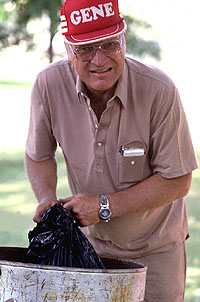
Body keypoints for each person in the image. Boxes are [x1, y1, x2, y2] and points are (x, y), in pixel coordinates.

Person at [25, 0, 198, 301]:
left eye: (109, 44)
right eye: (85, 49)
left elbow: (178, 180)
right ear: (68, 50)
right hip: (87, 248)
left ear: (124, 40)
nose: (99, 59)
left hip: (157, 252)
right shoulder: (48, 85)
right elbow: (38, 154)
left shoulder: (160, 91)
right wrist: (46, 197)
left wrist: (104, 205)